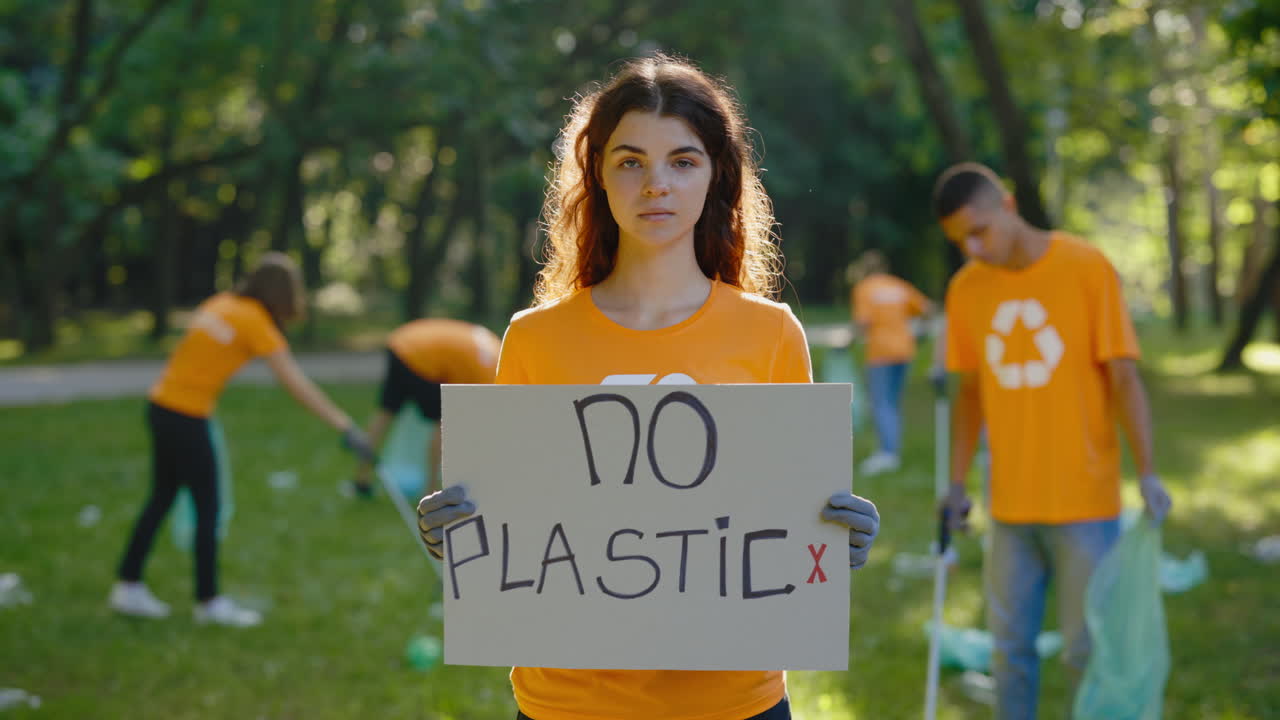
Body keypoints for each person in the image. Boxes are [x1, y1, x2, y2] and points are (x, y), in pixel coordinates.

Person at [416, 54, 881, 720]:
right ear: (598, 176)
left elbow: (785, 522)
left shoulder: (772, 335)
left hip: (732, 700)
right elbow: (519, 515)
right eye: (631, 161)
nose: (655, 184)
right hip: (570, 702)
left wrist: (836, 538)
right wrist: (461, 531)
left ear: (717, 174)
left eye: (682, 161)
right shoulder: (534, 338)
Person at [932, 162, 1173, 718]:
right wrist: (956, 481)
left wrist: (1150, 469)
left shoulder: (1085, 267)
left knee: (1086, 649)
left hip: (1084, 503)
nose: (973, 248)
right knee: (1009, 651)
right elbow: (969, 394)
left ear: (1009, 206)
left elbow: (1124, 377)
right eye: (959, 240)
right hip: (1010, 505)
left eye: (979, 230)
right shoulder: (966, 288)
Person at [110, 252, 375, 627]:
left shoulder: (223, 303)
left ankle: (128, 585)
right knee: (208, 508)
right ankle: (208, 602)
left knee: (162, 498)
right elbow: (294, 382)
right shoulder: (254, 320)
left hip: (162, 407)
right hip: (185, 416)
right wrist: (344, 425)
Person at [350, 318, 501, 498]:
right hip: (421, 358)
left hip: (401, 342)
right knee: (445, 423)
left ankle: (361, 479)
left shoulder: (496, 349)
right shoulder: (492, 375)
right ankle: (431, 492)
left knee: (386, 412)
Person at [848, 249, 933, 475]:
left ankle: (887, 453)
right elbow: (928, 309)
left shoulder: (865, 289)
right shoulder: (897, 286)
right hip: (905, 349)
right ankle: (891, 449)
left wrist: (847, 341)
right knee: (892, 403)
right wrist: (922, 333)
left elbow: (863, 323)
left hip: (880, 352)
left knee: (881, 403)